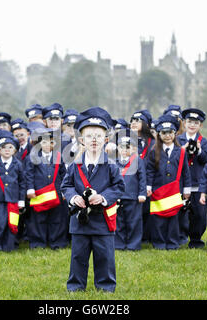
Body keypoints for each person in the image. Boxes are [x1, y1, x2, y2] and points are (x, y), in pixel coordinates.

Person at [61, 107, 125, 292]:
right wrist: (73, 198)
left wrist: (104, 197)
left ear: (106, 139)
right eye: (89, 136)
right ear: (81, 140)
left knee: (104, 256)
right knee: (78, 256)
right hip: (79, 221)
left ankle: (105, 287)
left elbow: (119, 187)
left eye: (98, 135)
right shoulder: (75, 165)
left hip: (103, 221)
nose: (94, 140)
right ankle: (75, 286)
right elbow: (66, 186)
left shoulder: (111, 166)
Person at [146, 114, 191, 250]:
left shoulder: (181, 151)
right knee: (158, 218)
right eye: (164, 133)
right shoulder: (154, 151)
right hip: (158, 189)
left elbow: (186, 171)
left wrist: (187, 189)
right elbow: (150, 170)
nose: (167, 136)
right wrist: (148, 186)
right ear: (159, 134)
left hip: (175, 190)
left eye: (170, 133)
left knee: (173, 218)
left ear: (175, 134)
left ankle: (172, 243)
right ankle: (159, 243)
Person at [0, 131, 26, 252]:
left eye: (10, 147)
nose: (7, 150)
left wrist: (21, 200)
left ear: (15, 150)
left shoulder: (18, 164)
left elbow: (22, 183)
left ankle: (9, 246)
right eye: (3, 148)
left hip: (13, 199)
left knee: (12, 223)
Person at [25, 128, 68, 249]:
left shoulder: (59, 157)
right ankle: (38, 243)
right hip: (39, 193)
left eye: (50, 142)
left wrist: (64, 191)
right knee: (38, 219)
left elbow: (64, 174)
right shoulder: (32, 157)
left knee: (57, 219)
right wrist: (30, 189)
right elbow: (29, 174)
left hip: (56, 193)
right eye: (44, 142)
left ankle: (57, 242)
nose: (47, 145)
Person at [177, 108, 207, 248]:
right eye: (189, 122)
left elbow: (206, 160)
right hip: (182, 183)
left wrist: (199, 150)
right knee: (180, 213)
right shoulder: (178, 139)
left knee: (199, 214)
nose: (192, 125)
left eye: (196, 123)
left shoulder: (203, 141)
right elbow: (173, 160)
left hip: (197, 182)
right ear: (184, 123)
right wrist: (182, 150)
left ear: (200, 125)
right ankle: (180, 238)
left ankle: (196, 240)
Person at [114, 134, 146, 250]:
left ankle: (133, 244)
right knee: (119, 221)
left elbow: (142, 178)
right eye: (122, 147)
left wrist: (142, 193)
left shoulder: (138, 161)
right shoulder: (114, 161)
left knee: (134, 221)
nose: (124, 150)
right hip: (118, 196)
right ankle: (119, 244)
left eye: (128, 147)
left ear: (133, 149)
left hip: (133, 196)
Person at [129, 109, 155, 243]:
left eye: (138, 121)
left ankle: (146, 237)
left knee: (148, 210)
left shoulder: (153, 142)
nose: (133, 123)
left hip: (149, 180)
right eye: (132, 120)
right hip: (131, 180)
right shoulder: (126, 140)